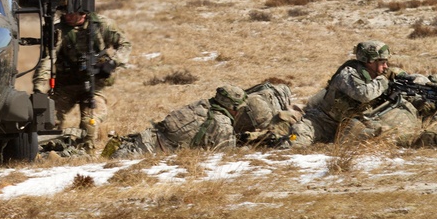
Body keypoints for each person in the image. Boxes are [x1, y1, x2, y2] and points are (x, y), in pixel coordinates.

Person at [33, 0, 131, 152]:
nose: (67, 16)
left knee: (89, 121)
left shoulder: (103, 25)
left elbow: (125, 44)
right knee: (48, 117)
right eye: (64, 13)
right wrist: (38, 87)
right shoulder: (58, 31)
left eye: (71, 13)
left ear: (83, 12)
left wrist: (112, 63)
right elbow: (48, 59)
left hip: (95, 84)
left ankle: (86, 151)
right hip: (66, 84)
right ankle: (49, 149)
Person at [103, 81, 301, 157]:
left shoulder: (203, 105)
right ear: (232, 108)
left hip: (142, 139)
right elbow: (225, 157)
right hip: (146, 154)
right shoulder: (222, 124)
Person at [291, 40, 419, 147]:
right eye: (382, 62)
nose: (386, 66)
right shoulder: (348, 73)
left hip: (351, 123)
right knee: (295, 139)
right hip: (323, 121)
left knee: (385, 135)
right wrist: (385, 81)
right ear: (370, 61)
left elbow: (397, 74)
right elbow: (364, 94)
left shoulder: (376, 74)